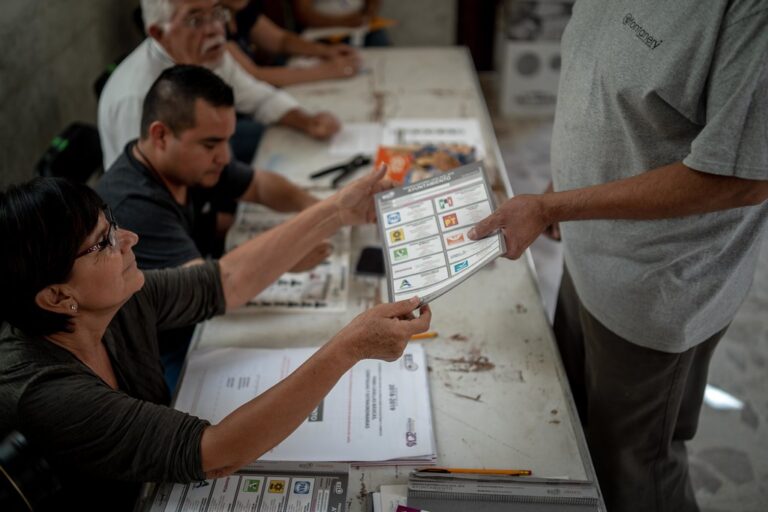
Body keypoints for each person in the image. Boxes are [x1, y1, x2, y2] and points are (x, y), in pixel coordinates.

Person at [468, 2, 768, 511]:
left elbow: (740, 179)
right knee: (574, 424)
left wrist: (553, 206)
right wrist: (566, 183)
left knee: (635, 469)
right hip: (589, 255)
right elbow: (609, 90)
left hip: (656, 289)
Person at [0, 176, 430, 511]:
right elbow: (216, 452)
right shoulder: (46, 391)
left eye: (111, 223)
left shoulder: (113, 301)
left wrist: (337, 210)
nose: (128, 238)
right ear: (57, 296)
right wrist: (347, 348)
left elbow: (224, 281)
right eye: (104, 242)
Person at [97, 64, 341, 390]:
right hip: (164, 350)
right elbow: (215, 288)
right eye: (211, 145)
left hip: (203, 315)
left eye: (227, 141)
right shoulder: (133, 207)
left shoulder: (186, 164)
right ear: (160, 135)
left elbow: (261, 187)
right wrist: (288, 252)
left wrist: (317, 208)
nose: (224, 157)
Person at [98, 0, 341, 169]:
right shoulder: (136, 98)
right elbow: (140, 192)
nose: (214, 29)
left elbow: (256, 96)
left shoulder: (208, 55)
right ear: (158, 33)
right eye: (195, 20)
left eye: (216, 13)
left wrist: (308, 121)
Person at [221, 0, 363, 87]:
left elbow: (280, 40)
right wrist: (327, 71)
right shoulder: (210, 25)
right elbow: (253, 76)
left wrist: (324, 50)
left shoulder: (239, 8)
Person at [292, 0, 391, 47]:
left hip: (360, 28)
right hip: (319, 31)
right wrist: (344, 22)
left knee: (379, 40)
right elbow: (303, 13)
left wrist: (368, 14)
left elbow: (373, 4)